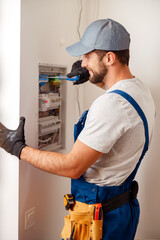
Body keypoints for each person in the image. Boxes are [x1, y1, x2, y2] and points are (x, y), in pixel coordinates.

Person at [0, 19, 155, 240]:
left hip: (100, 219)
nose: (82, 63)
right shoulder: (139, 91)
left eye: (87, 56)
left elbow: (73, 167)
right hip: (122, 208)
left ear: (109, 58)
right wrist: (94, 75)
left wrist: (17, 148)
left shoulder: (112, 104)